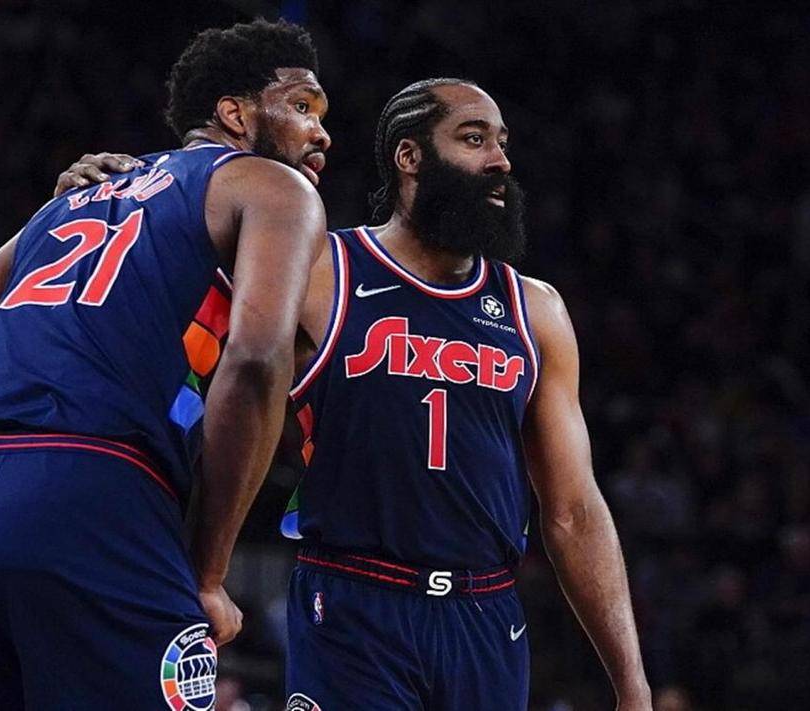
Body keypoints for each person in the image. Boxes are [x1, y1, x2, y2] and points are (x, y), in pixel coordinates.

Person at [61, 78, 651, 710]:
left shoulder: (535, 309)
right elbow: (168, 340)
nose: (500, 161)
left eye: (502, 143)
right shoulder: (319, 267)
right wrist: (108, 199)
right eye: (474, 139)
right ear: (410, 157)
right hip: (353, 602)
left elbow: (573, 511)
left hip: (486, 614)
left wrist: (632, 686)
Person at [0, 19, 329, 710]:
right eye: (302, 106)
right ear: (235, 114)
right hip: (93, 487)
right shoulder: (274, 186)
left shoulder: (70, 200)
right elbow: (256, 357)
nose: (320, 133)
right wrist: (208, 573)